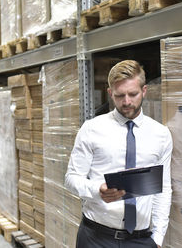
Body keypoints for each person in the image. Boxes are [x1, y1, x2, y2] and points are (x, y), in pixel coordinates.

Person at [65, 60, 172, 248]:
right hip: (96, 237)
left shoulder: (160, 135)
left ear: (144, 91)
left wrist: (157, 238)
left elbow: (163, 188)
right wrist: (97, 190)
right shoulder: (92, 129)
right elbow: (72, 178)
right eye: (119, 95)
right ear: (110, 93)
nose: (127, 102)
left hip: (141, 240)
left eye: (133, 94)